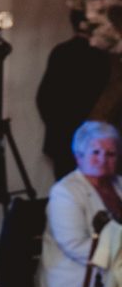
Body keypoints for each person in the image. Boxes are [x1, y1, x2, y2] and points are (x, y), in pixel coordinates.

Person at [37, 120, 122, 287]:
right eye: (96, 152)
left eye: (111, 154)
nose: (103, 159)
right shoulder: (65, 192)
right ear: (79, 156)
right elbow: (77, 247)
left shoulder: (119, 184)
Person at [36, 10, 110, 179]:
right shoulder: (102, 57)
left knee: (67, 193)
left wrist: (57, 125)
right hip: (94, 139)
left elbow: (43, 98)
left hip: (61, 137)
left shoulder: (60, 51)